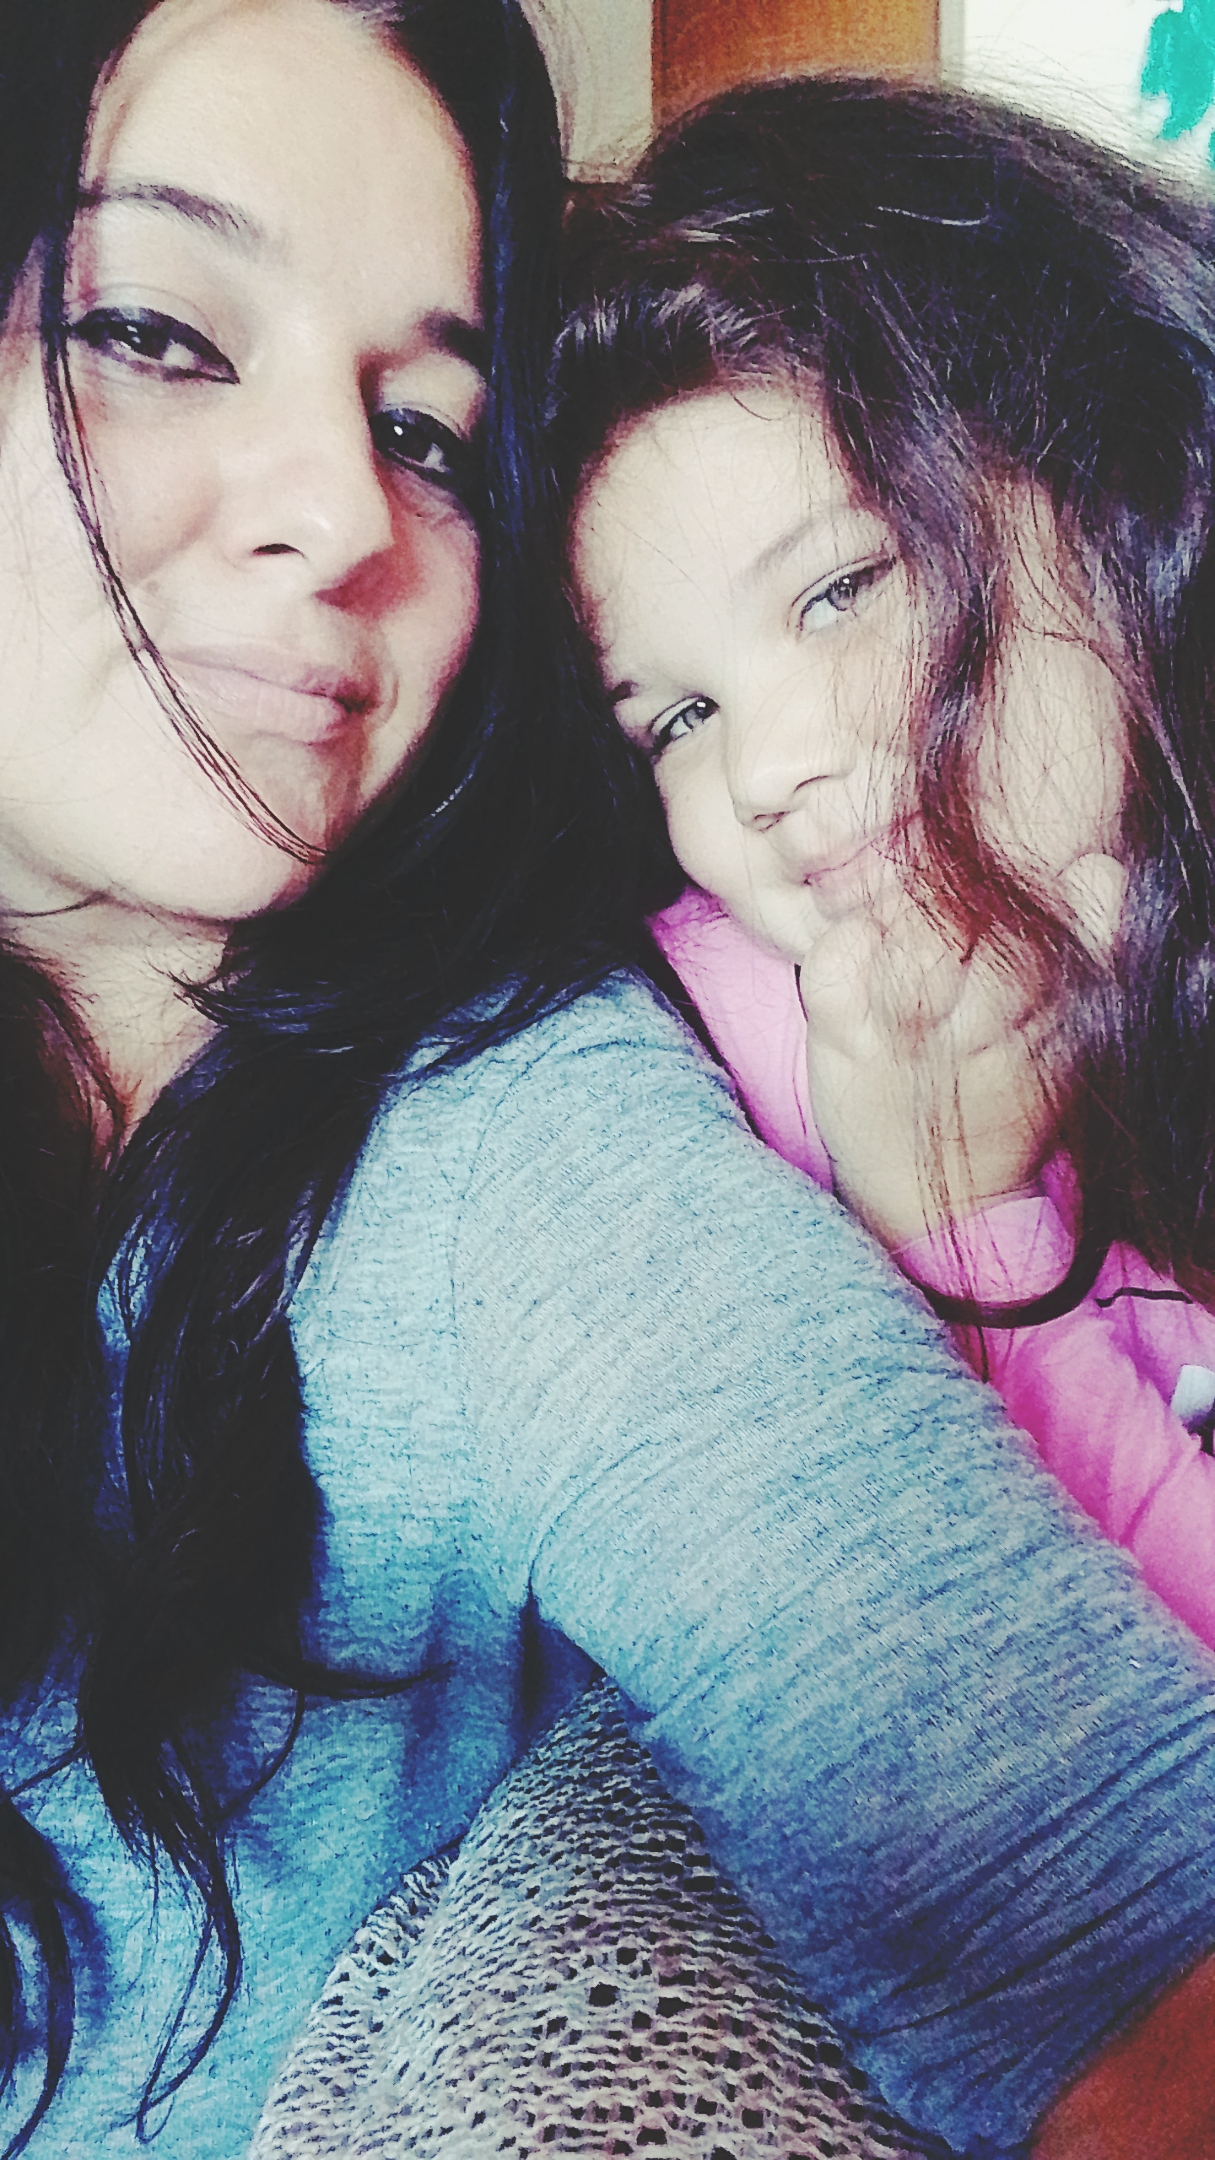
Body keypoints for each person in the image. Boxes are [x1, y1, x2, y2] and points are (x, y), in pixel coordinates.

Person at [4, 10, 1215, 2157]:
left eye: (428, 433)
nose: (342, 515)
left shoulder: (518, 1163)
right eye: (160, 334)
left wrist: (953, 1226)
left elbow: (1118, 1952)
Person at [557, 75, 1215, 1659]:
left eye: (842, 588)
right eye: (679, 718)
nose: (761, 772)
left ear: (1113, 487)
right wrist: (953, 1228)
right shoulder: (738, 1070)